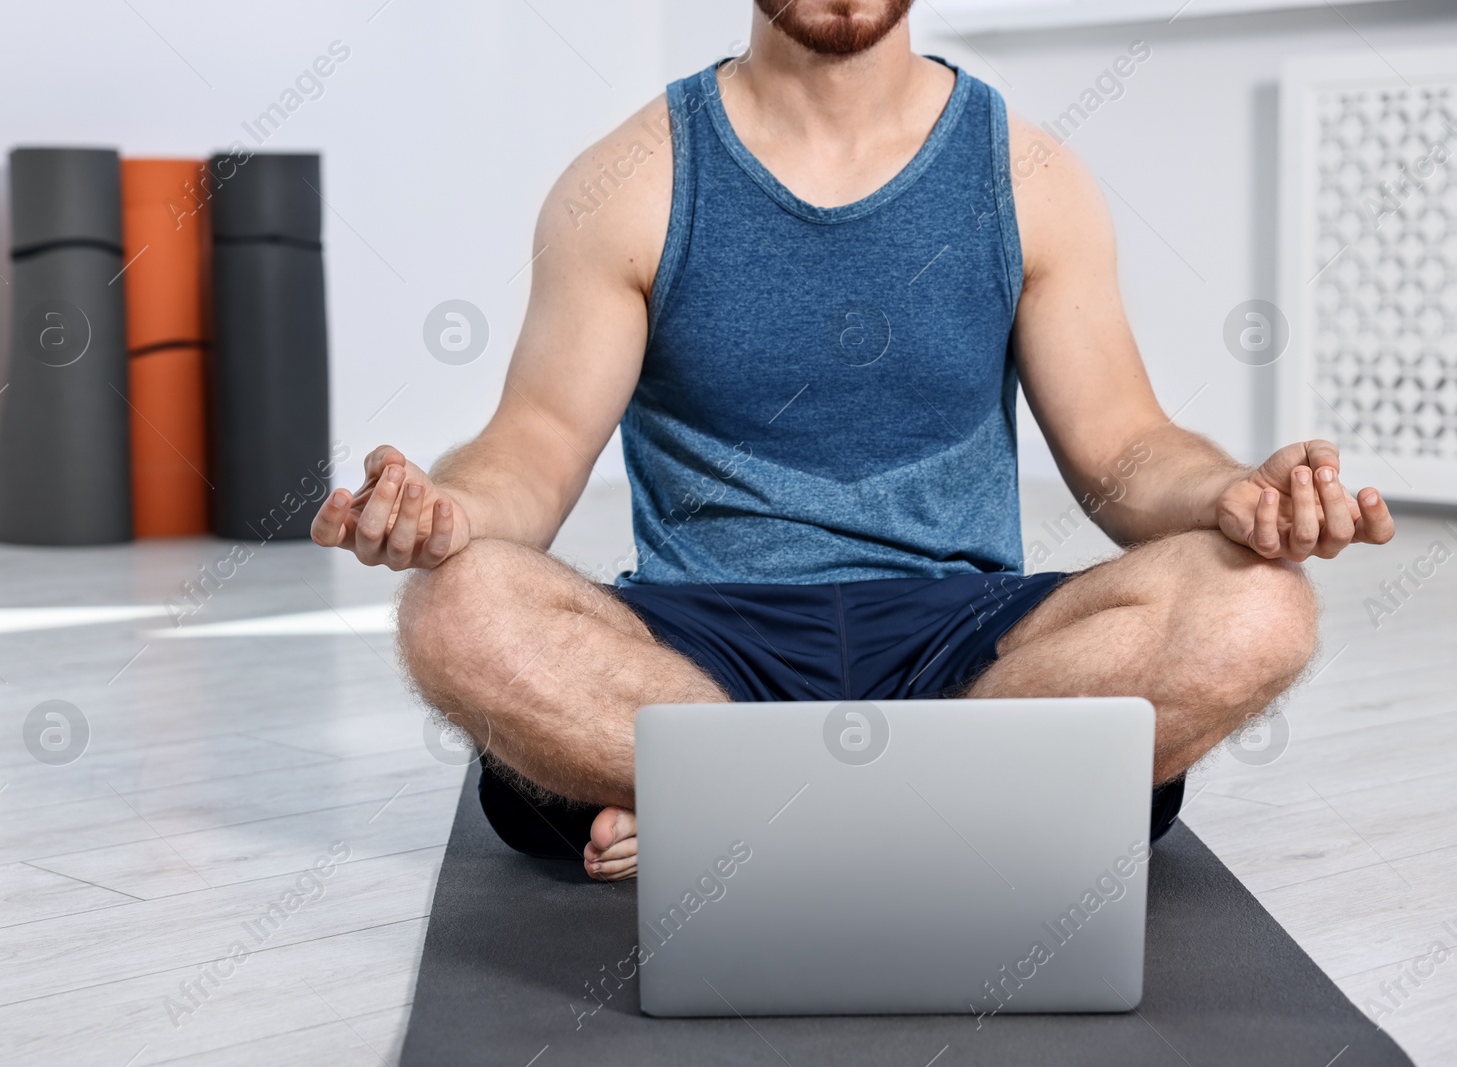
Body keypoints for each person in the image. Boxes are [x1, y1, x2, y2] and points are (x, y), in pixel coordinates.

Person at [312, 0, 1395, 882]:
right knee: (455, 605)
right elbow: (535, 449)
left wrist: (1230, 492)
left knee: (1256, 602)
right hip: (705, 647)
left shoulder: (1028, 176)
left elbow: (1123, 445)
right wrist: (446, 510)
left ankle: (735, 815)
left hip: (963, 645)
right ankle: (945, 818)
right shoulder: (629, 180)